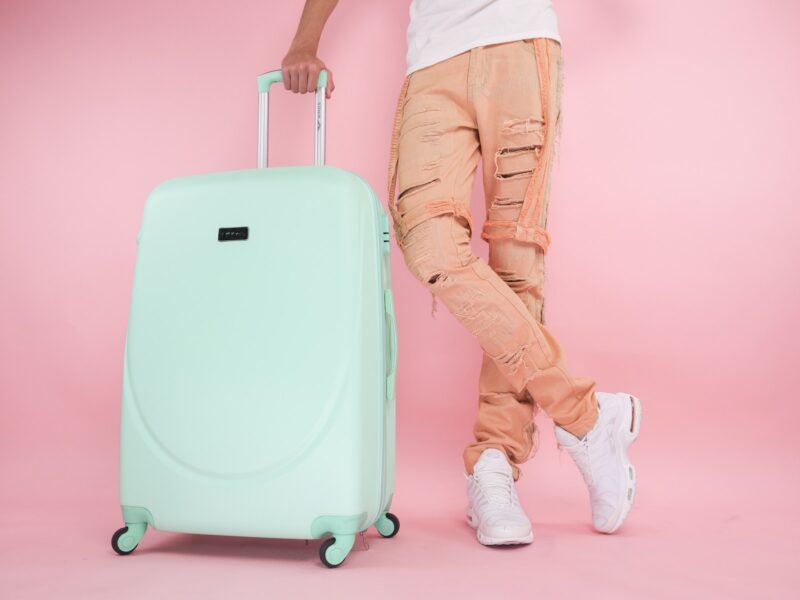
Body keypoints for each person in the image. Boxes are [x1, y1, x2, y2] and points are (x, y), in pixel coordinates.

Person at [281, 0, 642, 546]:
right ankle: (585, 416)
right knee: (430, 246)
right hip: (434, 60)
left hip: (521, 44)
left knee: (517, 268)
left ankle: (493, 467)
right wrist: (304, 42)